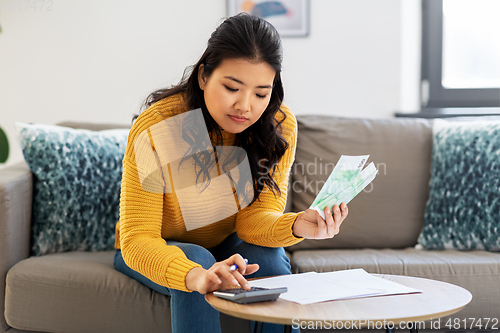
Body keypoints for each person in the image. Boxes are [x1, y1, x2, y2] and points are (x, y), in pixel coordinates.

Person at [113, 13, 348, 333]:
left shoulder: (279, 127)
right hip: (153, 244)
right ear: (203, 77)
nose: (245, 106)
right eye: (232, 87)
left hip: (229, 240)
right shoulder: (158, 127)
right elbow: (139, 238)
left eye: (261, 93)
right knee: (196, 258)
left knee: (268, 257)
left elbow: (254, 221)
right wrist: (194, 275)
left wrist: (297, 224)